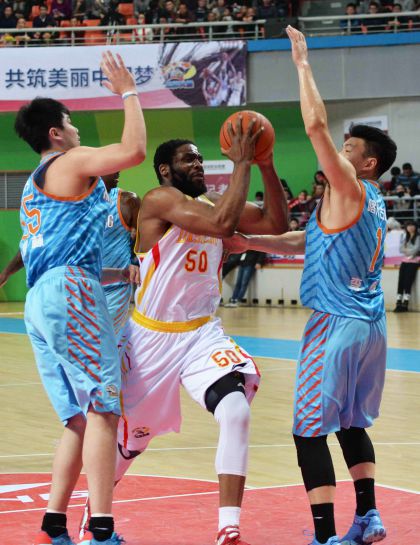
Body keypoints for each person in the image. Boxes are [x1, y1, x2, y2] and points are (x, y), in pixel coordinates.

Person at [228, 25, 397, 545]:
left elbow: (315, 125)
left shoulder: (351, 187)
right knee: (350, 423)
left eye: (348, 150)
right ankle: (368, 516)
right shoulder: (365, 203)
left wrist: (302, 66)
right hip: (370, 327)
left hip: (335, 324)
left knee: (307, 430)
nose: (337, 155)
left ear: (367, 163)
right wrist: (249, 242)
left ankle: (323, 536)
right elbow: (306, 240)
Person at [111, 121, 288, 545]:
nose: (198, 164)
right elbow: (224, 224)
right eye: (188, 158)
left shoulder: (211, 205)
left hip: (202, 334)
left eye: (200, 158)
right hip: (152, 337)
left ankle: (229, 527)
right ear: (165, 170)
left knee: (235, 411)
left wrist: (265, 163)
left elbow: (277, 222)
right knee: (132, 442)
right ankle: (93, 514)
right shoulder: (159, 200)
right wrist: (242, 161)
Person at [15, 52, 146, 545]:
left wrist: (119, 271)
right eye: (70, 123)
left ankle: (54, 520)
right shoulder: (67, 161)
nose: (75, 130)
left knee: (76, 417)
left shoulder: (33, 186)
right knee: (105, 408)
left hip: (40, 299)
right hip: (70, 292)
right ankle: (103, 529)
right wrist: (129, 91)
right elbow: (134, 151)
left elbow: (59, 254)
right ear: (55, 133)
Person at [0, 172, 140, 343]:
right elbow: (36, 244)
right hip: (77, 288)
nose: (117, 171)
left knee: (99, 344)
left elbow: (143, 240)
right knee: (78, 346)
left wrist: (135, 262)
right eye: (110, 166)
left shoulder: (127, 201)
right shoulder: (68, 206)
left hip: (115, 289)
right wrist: (6, 273)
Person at [393, 220, 420, 312]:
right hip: (404, 261)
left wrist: (407, 251)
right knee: (401, 281)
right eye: (408, 226)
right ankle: (398, 303)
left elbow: (416, 249)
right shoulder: (405, 236)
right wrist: (409, 251)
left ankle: (405, 304)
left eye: (412, 225)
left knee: (408, 282)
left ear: (415, 227)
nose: (410, 227)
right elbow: (400, 249)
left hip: (414, 261)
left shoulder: (418, 237)